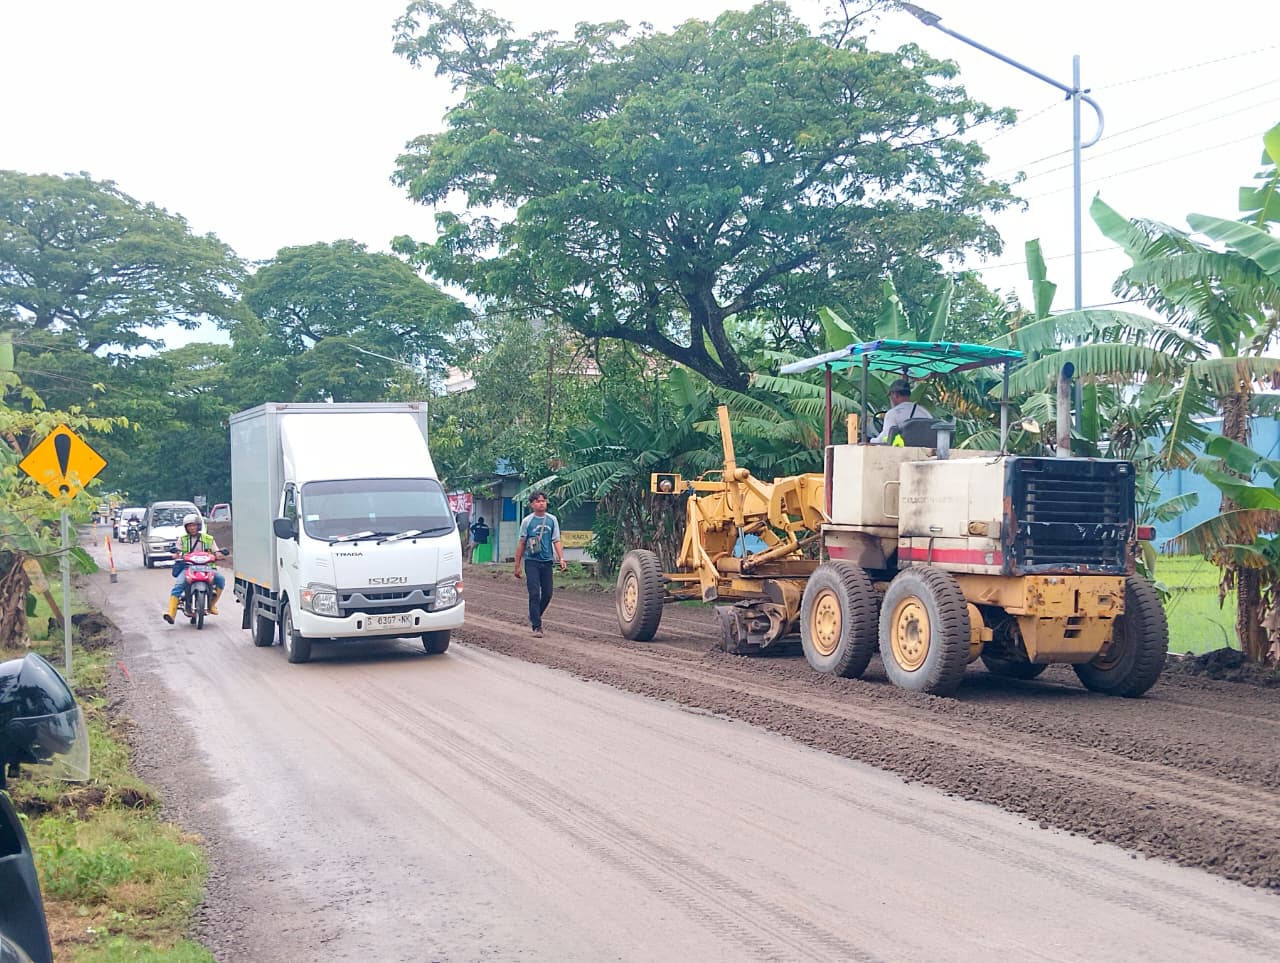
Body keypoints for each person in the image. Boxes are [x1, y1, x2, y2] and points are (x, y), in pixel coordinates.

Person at [513, 492, 567, 638]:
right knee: (534, 593)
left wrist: (561, 558)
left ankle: (534, 614)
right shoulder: (527, 522)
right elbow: (522, 543)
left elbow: (556, 540)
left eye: (543, 501)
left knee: (548, 593)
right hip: (531, 561)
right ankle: (537, 626)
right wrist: (517, 565)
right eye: (538, 501)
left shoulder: (552, 520)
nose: (541, 503)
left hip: (547, 561)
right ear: (532, 504)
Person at [164, 513, 226, 623]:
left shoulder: (208, 538)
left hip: (207, 567)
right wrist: (176, 555)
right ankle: (171, 614)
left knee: (220, 579)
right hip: (188, 568)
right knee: (178, 586)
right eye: (189, 526)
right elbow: (176, 552)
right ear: (186, 528)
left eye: (194, 525)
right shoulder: (182, 539)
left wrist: (219, 554)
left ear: (199, 526)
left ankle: (212, 605)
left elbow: (216, 551)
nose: (192, 528)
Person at [871, 379, 931, 445]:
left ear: (895, 394)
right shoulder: (924, 412)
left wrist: (871, 440)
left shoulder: (892, 414)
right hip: (925, 453)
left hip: (903, 452)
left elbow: (887, 438)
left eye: (891, 396)